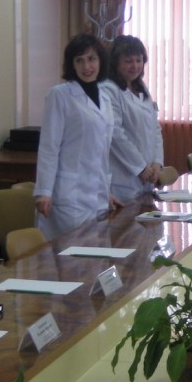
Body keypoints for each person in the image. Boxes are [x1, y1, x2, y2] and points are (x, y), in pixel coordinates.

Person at [34, 33, 117, 239]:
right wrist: (44, 191)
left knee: (96, 251)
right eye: (79, 60)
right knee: (71, 252)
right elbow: (49, 146)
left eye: (91, 59)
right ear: (71, 64)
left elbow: (102, 150)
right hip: (69, 195)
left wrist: (105, 190)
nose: (86, 66)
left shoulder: (105, 97)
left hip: (97, 193)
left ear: (100, 60)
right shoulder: (60, 95)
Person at [103, 34, 164, 202]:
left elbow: (155, 129)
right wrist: (140, 168)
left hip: (147, 176)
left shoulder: (141, 88)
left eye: (139, 60)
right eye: (128, 61)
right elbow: (115, 135)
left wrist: (157, 163)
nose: (135, 66)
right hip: (123, 179)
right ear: (116, 63)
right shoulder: (108, 89)